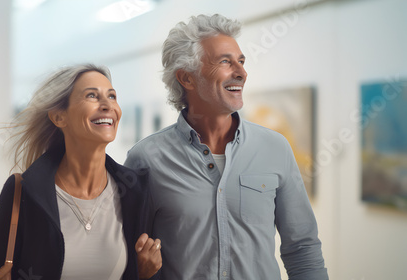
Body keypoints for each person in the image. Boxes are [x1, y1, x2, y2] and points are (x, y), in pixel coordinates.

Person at [124, 14, 328, 279]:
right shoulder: (145, 159)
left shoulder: (275, 148)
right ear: (187, 78)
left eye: (241, 61)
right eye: (225, 62)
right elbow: (128, 255)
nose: (241, 72)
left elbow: (302, 247)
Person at [0, 64, 162, 280]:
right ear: (59, 117)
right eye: (92, 96)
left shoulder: (135, 192)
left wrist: (143, 274)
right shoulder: (24, 191)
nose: (107, 105)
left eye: (112, 96)